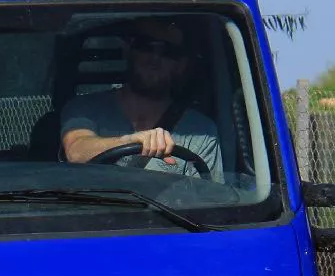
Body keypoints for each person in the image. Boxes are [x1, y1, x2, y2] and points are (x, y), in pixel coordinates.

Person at [60, 16, 222, 177]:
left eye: (168, 51)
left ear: (181, 65)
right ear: (128, 50)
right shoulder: (85, 108)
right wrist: (130, 142)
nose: (154, 58)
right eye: (146, 45)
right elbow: (76, 151)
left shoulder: (201, 132)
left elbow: (207, 197)